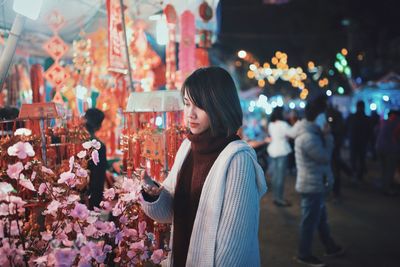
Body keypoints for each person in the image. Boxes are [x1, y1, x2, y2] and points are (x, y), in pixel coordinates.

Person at [140, 66, 267, 267]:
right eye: (187, 104)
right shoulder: (187, 147)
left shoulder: (237, 159)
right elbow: (168, 213)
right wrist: (153, 193)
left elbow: (234, 246)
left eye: (199, 106)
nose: (190, 114)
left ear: (219, 106)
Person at [293, 96, 343, 267]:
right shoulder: (308, 136)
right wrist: (328, 136)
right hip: (311, 185)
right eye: (323, 114)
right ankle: (303, 254)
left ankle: (330, 246)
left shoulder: (311, 132)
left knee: (320, 219)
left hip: (315, 184)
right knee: (309, 222)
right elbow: (324, 157)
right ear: (317, 116)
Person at [267, 107, 294, 206]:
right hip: (282, 150)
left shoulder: (271, 124)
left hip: (273, 150)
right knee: (280, 176)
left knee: (275, 175)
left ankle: (275, 197)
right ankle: (279, 198)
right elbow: (292, 134)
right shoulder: (283, 124)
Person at [84, 108, 107, 210]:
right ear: (99, 125)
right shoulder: (99, 146)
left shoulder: (76, 140)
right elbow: (98, 179)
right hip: (90, 196)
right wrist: (96, 203)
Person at [375, 110, 400, 196]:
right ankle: (387, 188)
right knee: (390, 170)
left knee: (384, 169)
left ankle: (383, 186)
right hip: (391, 150)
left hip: (380, 148)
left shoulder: (383, 122)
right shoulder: (397, 124)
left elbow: (376, 131)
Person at [346, 100, 371, 183]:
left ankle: (355, 175)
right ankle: (358, 175)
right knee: (360, 159)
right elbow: (370, 132)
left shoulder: (352, 117)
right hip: (361, 142)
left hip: (355, 142)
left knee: (356, 159)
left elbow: (346, 128)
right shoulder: (366, 118)